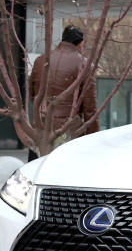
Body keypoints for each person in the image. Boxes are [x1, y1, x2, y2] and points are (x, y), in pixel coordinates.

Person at [27, 24, 98, 160]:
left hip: (40, 129)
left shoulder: (41, 60)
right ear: (81, 43)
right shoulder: (84, 64)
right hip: (68, 132)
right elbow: (90, 108)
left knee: (35, 172)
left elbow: (33, 95)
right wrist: (93, 138)